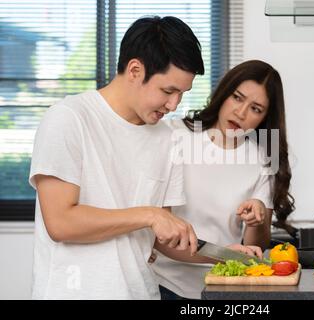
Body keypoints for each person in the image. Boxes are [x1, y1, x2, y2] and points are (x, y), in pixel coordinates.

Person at [29, 16, 260, 300]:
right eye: (168, 90)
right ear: (135, 70)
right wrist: (149, 215)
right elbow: (61, 222)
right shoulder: (68, 119)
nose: (174, 104)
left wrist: (222, 254)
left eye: (181, 94)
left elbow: (164, 239)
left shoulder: (167, 139)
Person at [153, 60, 295, 299]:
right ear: (224, 93)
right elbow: (156, 228)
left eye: (256, 109)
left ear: (264, 118)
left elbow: (256, 247)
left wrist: (256, 218)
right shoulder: (176, 135)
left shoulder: (262, 159)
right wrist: (223, 253)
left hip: (222, 286)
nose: (241, 113)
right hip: (165, 284)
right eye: (237, 98)